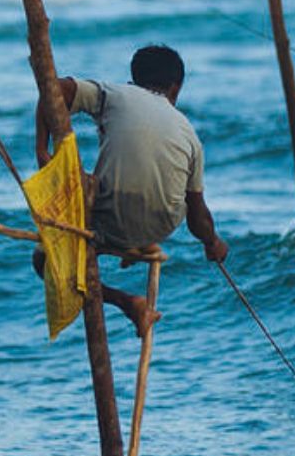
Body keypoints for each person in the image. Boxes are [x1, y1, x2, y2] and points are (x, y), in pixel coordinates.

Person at [34, 44, 228, 336]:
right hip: (161, 226)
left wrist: (41, 149)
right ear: (175, 88)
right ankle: (134, 245)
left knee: (44, 260)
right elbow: (198, 215)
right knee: (115, 202)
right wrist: (212, 242)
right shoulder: (190, 135)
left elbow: (54, 88)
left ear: (134, 79)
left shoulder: (117, 94)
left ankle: (128, 303)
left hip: (112, 219)